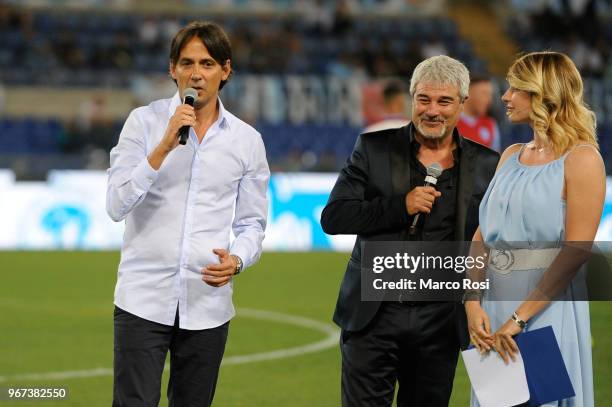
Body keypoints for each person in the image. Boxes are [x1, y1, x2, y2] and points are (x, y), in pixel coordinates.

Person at [106, 21, 270, 407]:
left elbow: (252, 223)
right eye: (187, 62)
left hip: (207, 305)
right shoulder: (143, 123)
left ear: (225, 70)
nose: (196, 72)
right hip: (142, 299)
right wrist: (163, 146)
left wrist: (239, 259)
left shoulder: (247, 141)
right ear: (172, 69)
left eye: (208, 63)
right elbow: (115, 205)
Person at [320, 55, 499, 407]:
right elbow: (335, 217)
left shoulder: (487, 165)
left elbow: (494, 241)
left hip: (441, 321)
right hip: (373, 316)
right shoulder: (374, 150)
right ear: (411, 98)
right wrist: (400, 206)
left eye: (445, 101)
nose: (432, 110)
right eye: (424, 99)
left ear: (462, 104)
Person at [466, 51, 604, 407]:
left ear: (543, 93)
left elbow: (576, 251)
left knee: (538, 401)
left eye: (515, 88)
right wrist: (470, 303)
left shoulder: (582, 159)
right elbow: (482, 238)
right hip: (492, 312)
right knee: (497, 404)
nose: (505, 97)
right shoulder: (510, 155)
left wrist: (519, 319)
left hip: (544, 314)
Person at [456, 75, 501, 151]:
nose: (489, 100)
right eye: (484, 93)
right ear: (468, 93)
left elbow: (496, 158)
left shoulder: (490, 124)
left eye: (490, 95)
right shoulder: (451, 122)